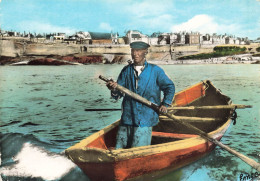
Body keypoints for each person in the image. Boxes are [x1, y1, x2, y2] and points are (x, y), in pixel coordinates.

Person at [106, 41, 175, 149]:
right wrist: (114, 89)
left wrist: (165, 104)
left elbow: (169, 87)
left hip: (146, 118)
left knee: (137, 149)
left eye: (138, 51)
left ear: (145, 52)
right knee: (119, 148)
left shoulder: (155, 71)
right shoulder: (126, 71)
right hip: (127, 118)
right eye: (133, 51)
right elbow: (117, 95)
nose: (135, 54)